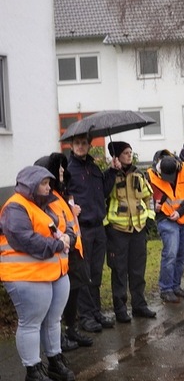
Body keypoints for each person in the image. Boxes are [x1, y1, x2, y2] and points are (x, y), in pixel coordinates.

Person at [0, 166, 75, 381]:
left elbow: (65, 225)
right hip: (26, 274)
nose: (48, 187)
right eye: (44, 183)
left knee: (53, 320)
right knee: (31, 323)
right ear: (30, 185)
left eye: (49, 183)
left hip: (53, 272)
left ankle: (54, 360)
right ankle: (33, 370)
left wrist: (68, 237)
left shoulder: (44, 204)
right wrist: (58, 245)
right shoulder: (15, 207)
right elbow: (24, 239)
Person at [33, 153, 94, 352]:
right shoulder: (46, 197)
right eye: (58, 167)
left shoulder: (60, 193)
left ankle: (70, 329)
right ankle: (59, 337)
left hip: (74, 249)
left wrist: (72, 210)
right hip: (63, 251)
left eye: (62, 166)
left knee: (73, 292)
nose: (61, 170)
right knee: (60, 299)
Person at [66, 134, 116, 333]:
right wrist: (70, 209)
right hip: (81, 229)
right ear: (71, 146)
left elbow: (103, 190)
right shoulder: (69, 170)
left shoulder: (94, 168)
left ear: (89, 145)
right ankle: (85, 316)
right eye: (76, 143)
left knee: (96, 272)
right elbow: (62, 196)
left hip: (98, 227)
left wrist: (111, 171)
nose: (80, 146)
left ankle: (95, 311)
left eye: (83, 143)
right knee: (84, 273)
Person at [103, 141, 158, 322]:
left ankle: (139, 305)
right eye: (125, 153)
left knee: (137, 270)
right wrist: (112, 172)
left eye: (130, 152)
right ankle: (120, 310)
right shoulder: (109, 176)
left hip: (138, 229)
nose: (129, 155)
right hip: (117, 231)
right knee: (119, 271)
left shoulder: (138, 174)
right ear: (117, 156)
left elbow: (149, 196)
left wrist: (149, 217)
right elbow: (102, 197)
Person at [148, 150, 184, 304]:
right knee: (170, 253)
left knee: (183, 255)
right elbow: (145, 197)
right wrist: (152, 205)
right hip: (165, 218)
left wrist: (180, 211)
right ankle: (166, 289)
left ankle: (175, 285)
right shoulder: (150, 175)